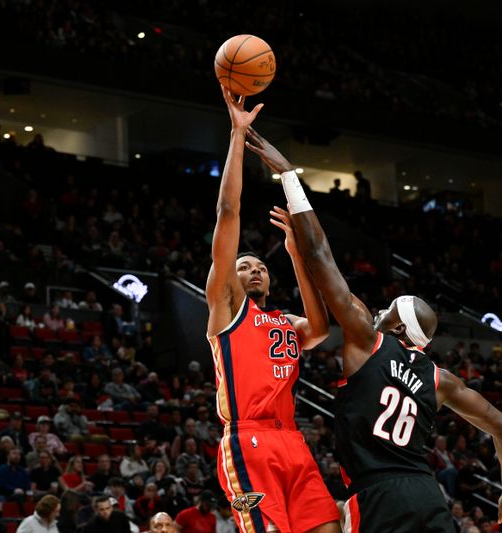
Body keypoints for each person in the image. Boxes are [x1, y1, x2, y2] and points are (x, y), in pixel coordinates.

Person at [246, 128, 502, 532]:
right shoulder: (441, 380)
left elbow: (320, 254)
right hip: (427, 495)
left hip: (378, 496)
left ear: (397, 328)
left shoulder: (366, 339)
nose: (377, 311)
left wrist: (289, 175)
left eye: (387, 310)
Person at [204, 86, 339, 533]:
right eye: (244, 266)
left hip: (293, 441)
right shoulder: (226, 308)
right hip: (249, 439)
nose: (254, 270)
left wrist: (298, 255)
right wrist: (237, 137)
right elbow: (228, 212)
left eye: (261, 266)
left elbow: (320, 327)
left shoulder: (283, 322)